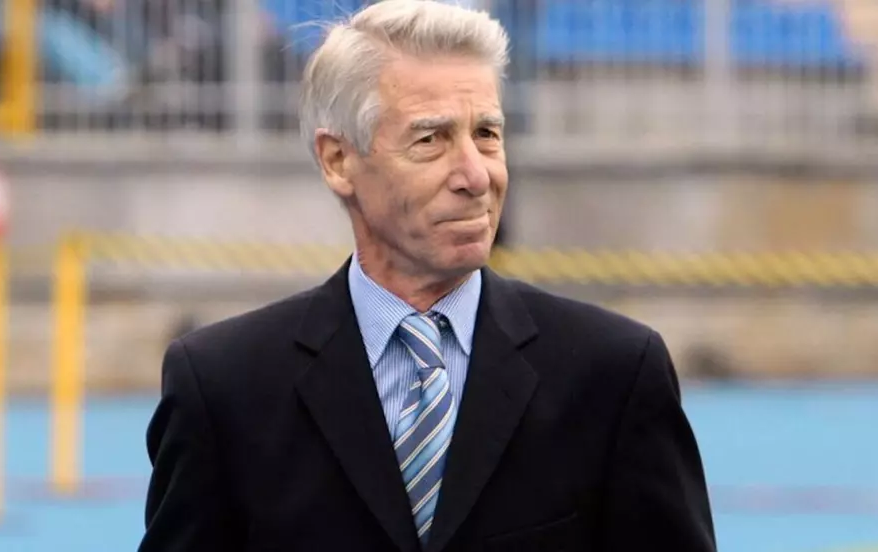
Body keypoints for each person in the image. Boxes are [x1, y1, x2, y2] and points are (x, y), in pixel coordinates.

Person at [138, 1, 717, 551]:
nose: (475, 175)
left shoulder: (613, 374)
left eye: (487, 134)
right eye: (430, 139)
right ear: (338, 160)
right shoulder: (222, 387)